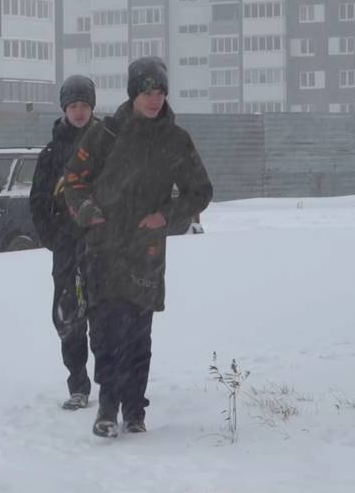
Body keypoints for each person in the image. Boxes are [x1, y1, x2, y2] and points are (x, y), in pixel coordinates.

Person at [63, 56, 213, 438]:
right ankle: (108, 407)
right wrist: (87, 210)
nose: (154, 99)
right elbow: (73, 180)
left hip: (145, 252)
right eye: (147, 91)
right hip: (104, 247)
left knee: (137, 334)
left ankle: (134, 411)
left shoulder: (175, 140)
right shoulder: (107, 134)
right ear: (134, 93)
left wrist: (167, 216)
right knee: (105, 332)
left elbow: (201, 191)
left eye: (159, 91)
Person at [30, 75, 100, 411]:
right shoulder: (51, 153)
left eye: (84, 105)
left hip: (103, 246)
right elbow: (38, 201)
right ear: (64, 109)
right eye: (73, 106)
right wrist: (55, 239)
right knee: (68, 316)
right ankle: (78, 383)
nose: (79, 112)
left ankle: (110, 379)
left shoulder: (107, 146)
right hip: (67, 247)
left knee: (106, 314)